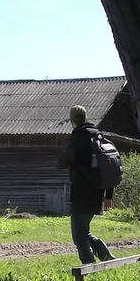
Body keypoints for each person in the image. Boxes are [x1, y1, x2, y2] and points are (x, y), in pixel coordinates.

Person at [56, 105, 115, 264]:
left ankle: (90, 268)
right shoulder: (98, 137)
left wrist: (70, 165)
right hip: (97, 194)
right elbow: (108, 167)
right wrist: (108, 196)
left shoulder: (76, 140)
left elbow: (61, 163)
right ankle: (106, 257)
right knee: (83, 230)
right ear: (86, 118)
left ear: (71, 121)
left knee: (79, 236)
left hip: (81, 194)